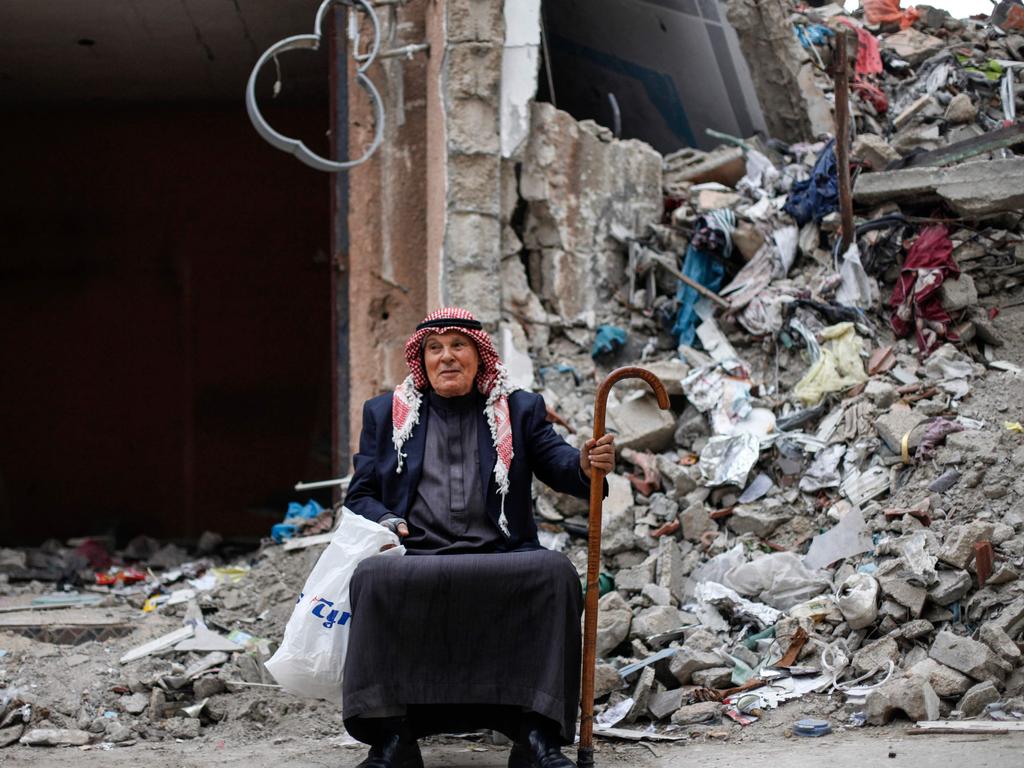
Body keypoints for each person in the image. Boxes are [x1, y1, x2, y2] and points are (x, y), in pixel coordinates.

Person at [342, 307, 614, 768]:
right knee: (371, 577)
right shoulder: (385, 414)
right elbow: (361, 494)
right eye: (434, 348)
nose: (446, 357)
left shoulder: (519, 409)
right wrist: (387, 521)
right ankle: (392, 736)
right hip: (417, 554)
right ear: (421, 360)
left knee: (554, 572)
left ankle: (537, 734)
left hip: (501, 554)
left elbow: (563, 466)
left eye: (458, 346)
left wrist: (587, 464)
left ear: (479, 356)